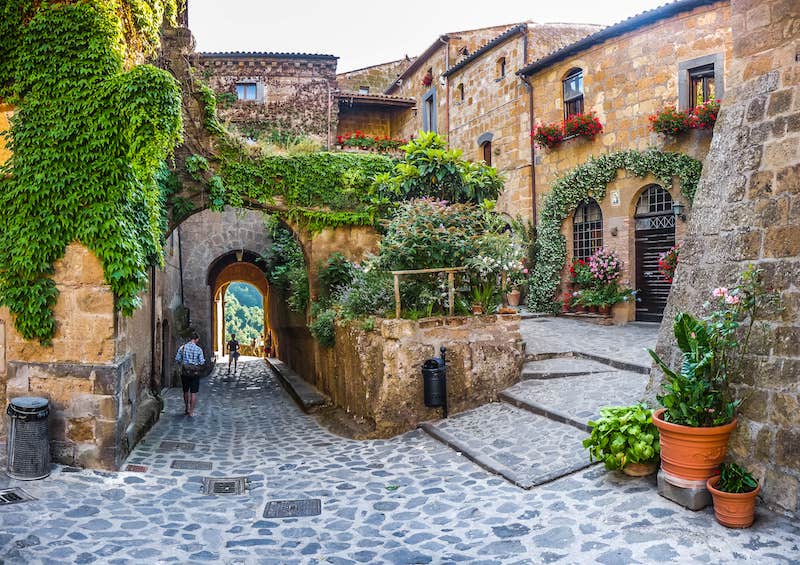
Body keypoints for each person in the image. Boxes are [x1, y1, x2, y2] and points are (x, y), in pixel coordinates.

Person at [175, 333, 205, 417]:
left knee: (185, 391)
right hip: (195, 373)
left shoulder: (182, 347)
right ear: (196, 339)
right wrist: (197, 363)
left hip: (185, 372)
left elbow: (177, 359)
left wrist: (184, 362)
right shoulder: (198, 349)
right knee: (193, 393)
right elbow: (202, 362)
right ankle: (191, 412)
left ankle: (186, 408)